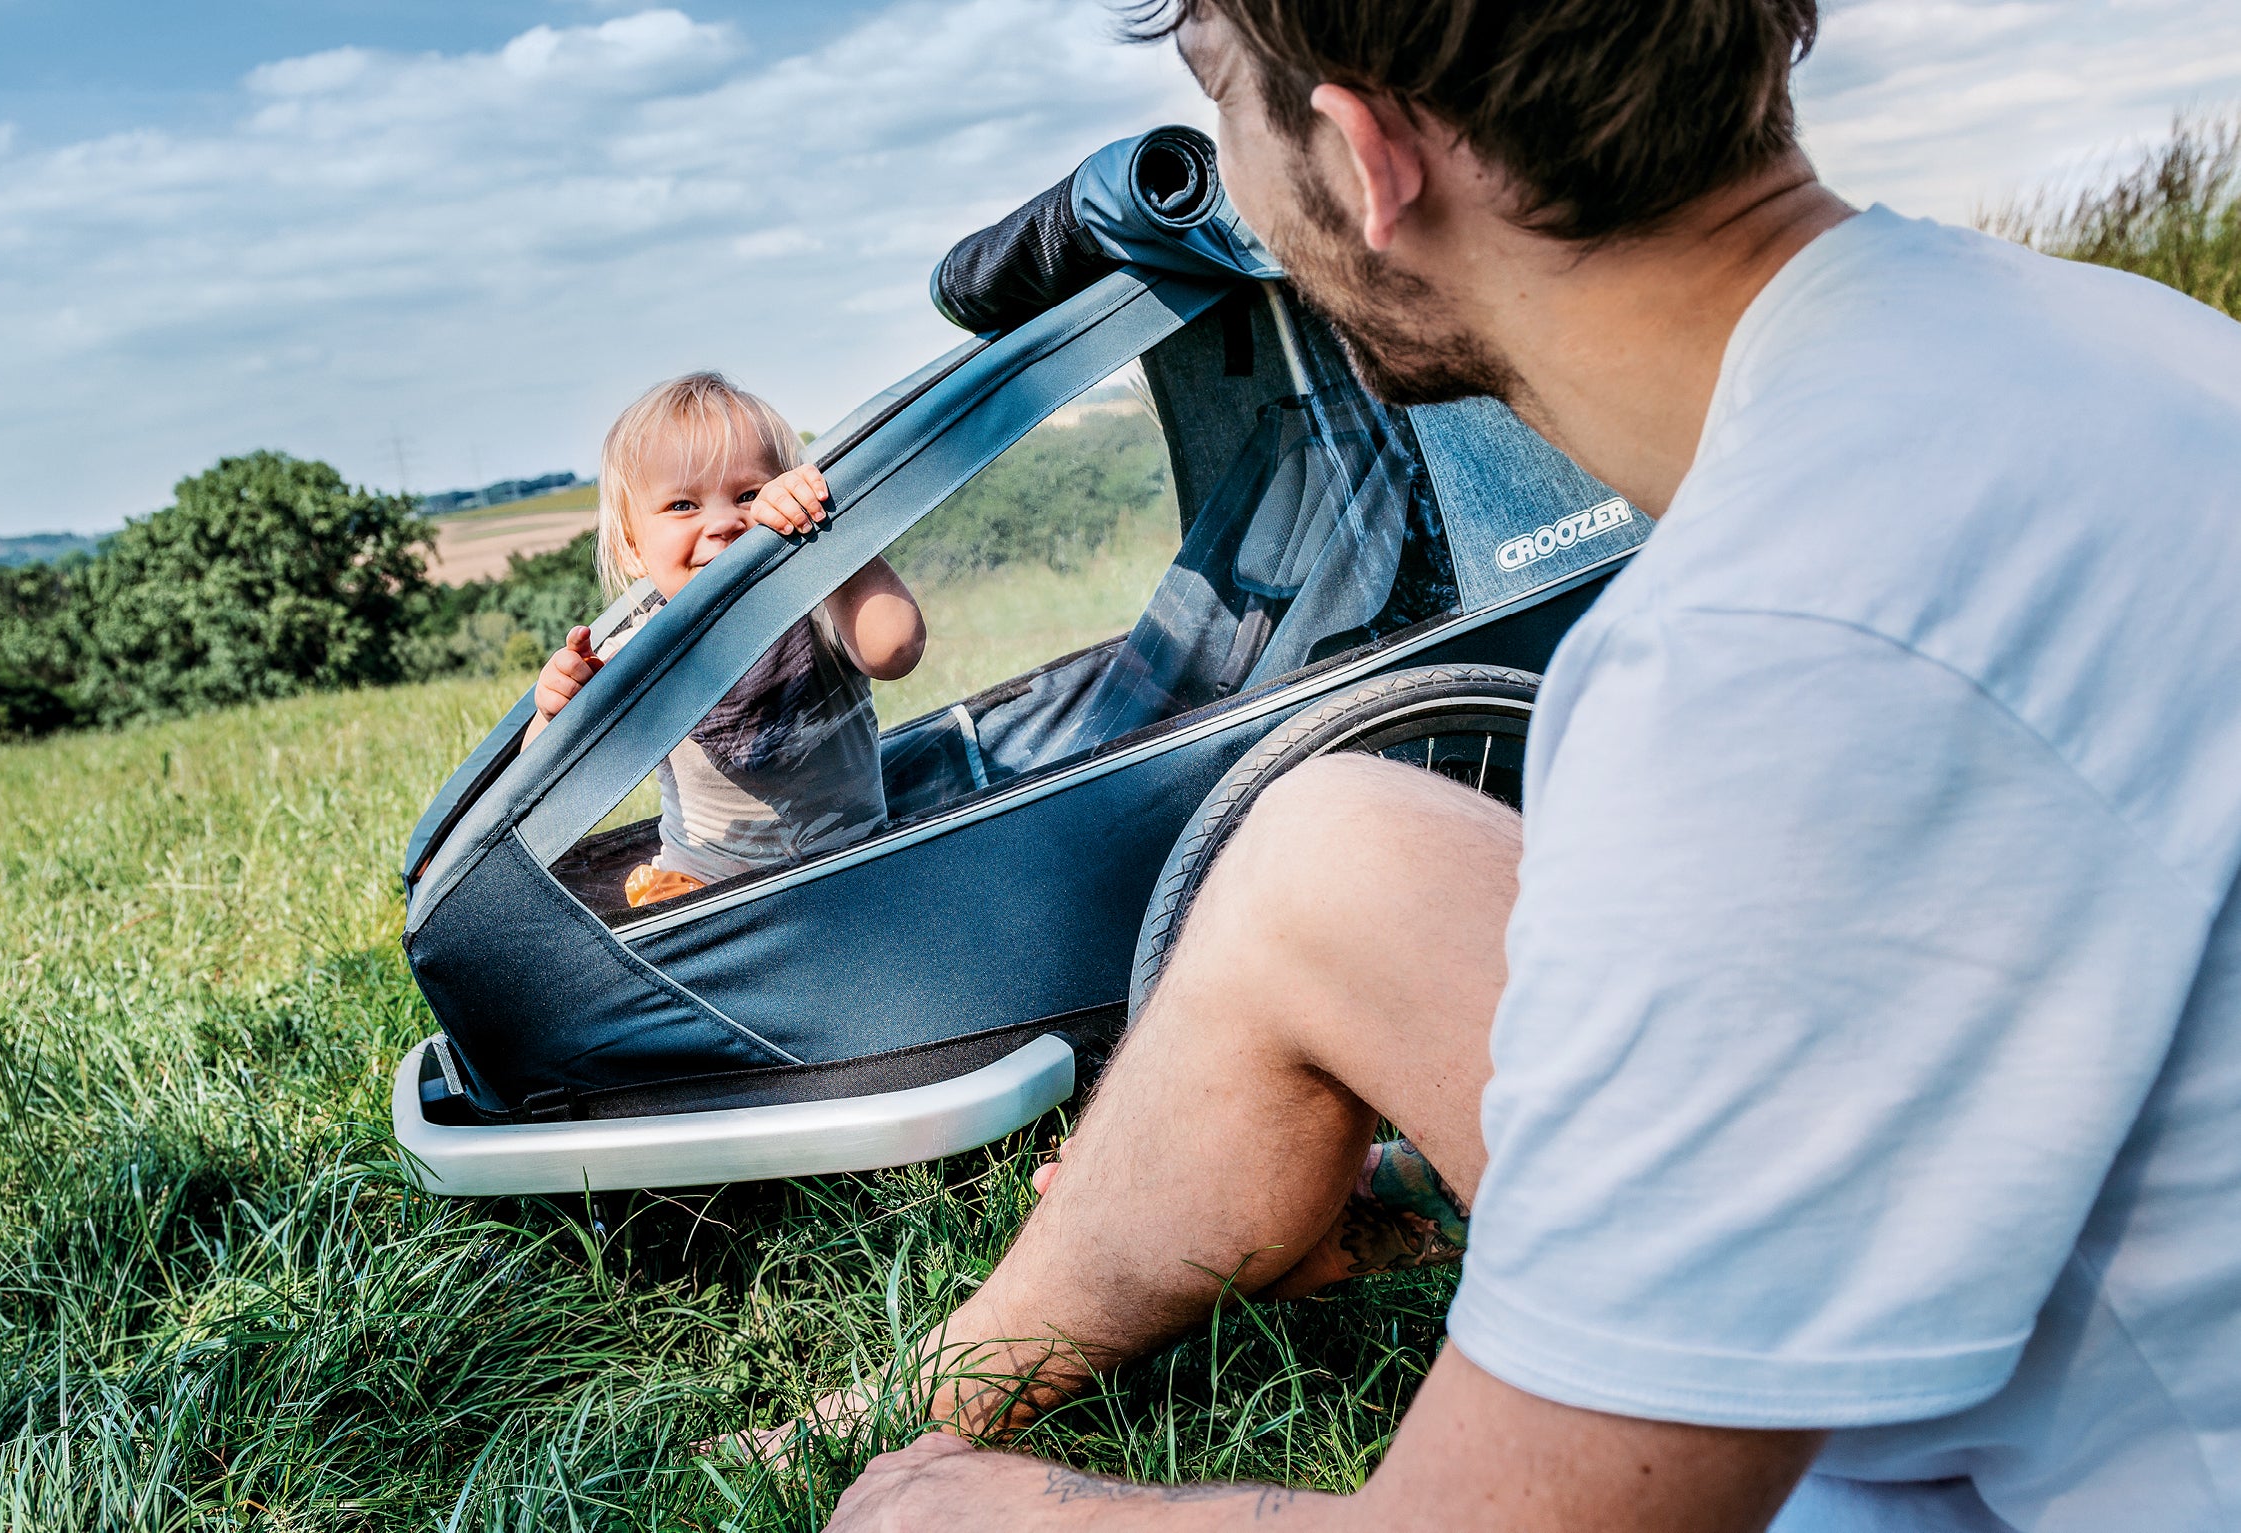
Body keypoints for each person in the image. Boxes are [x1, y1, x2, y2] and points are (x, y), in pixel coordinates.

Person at [813, 1, 2241, 1528]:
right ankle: (940, 1383)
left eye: (1220, 97)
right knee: (1333, 850)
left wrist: (981, 1516)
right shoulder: (2093, 333)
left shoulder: (1770, 652)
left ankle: (913, 1466)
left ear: (1366, 156)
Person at [523, 371, 925, 907]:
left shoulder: (817, 603)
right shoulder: (634, 656)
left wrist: (833, 540)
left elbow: (895, 649)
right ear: (630, 546)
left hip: (855, 872)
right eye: (683, 506)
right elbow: (545, 796)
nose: (723, 523)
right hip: (708, 898)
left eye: (751, 494)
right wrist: (555, 716)